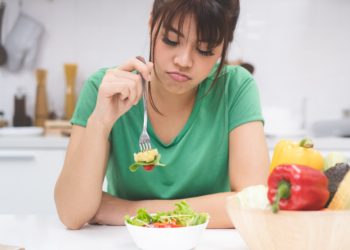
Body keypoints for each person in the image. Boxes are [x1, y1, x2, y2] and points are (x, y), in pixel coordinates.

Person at [54, 0, 269, 230]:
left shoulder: (234, 88)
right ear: (152, 23)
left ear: (224, 45)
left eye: (205, 49)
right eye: (171, 40)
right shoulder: (104, 89)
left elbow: (254, 205)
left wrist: (129, 211)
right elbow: (71, 214)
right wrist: (100, 122)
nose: (183, 61)